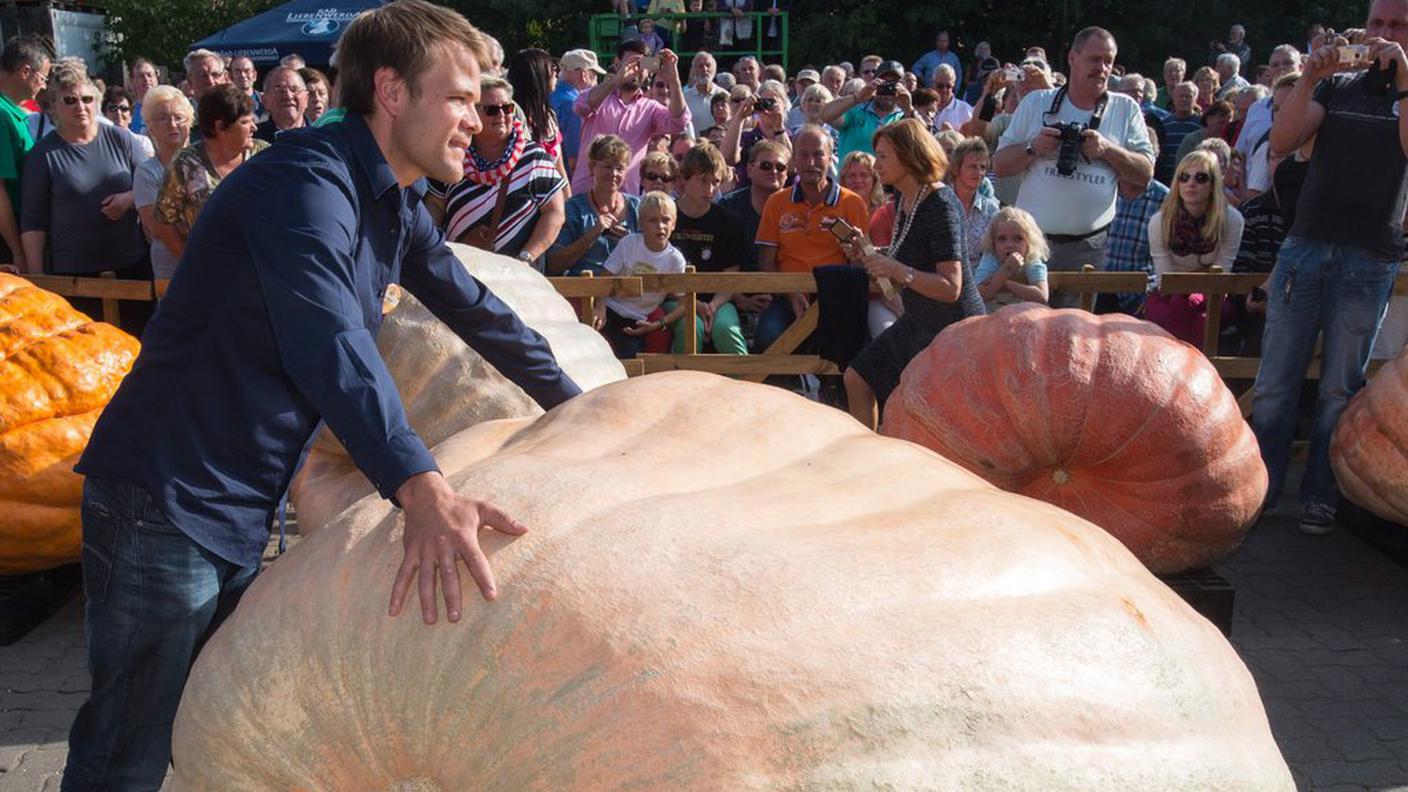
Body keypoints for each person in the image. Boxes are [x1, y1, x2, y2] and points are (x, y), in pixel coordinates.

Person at [62, 4, 583, 789]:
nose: (475, 122)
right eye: (460, 99)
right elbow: (331, 344)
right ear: (392, 91)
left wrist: (580, 404)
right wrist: (422, 488)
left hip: (233, 499)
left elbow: (476, 310)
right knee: (126, 750)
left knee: (221, 722)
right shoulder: (306, 186)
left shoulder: (393, 204)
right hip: (162, 501)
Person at [1253, 2, 1408, 535]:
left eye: (1397, 25)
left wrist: (1405, 78)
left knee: (1340, 388)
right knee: (1275, 380)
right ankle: (1262, 490)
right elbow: (1280, 142)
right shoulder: (1338, 86)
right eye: (1378, 23)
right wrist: (1309, 78)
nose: (1384, 35)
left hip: (1370, 257)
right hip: (1307, 247)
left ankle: (1320, 494)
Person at [993, 26, 1153, 307]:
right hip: (1031, 245)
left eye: (1109, 61)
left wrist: (1107, 151)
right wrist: (1034, 147)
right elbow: (1000, 165)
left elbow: (1145, 173)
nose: (1102, 68)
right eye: (1094, 59)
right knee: (1023, 331)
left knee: (1075, 339)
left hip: (1088, 250)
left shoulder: (1125, 108)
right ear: (1072, 58)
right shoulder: (1036, 102)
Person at [843, 118, 985, 429]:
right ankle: (865, 460)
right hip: (920, 321)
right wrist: (869, 252)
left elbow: (951, 287)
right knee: (857, 378)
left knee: (937, 419)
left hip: (953, 331)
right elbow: (910, 256)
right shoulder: (904, 199)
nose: (876, 163)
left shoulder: (940, 203)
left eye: (883, 156)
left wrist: (896, 269)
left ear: (909, 155)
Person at [20, 60, 150, 281]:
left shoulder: (122, 140)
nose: (80, 106)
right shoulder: (42, 155)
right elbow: (33, 221)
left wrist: (129, 199)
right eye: (70, 100)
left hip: (131, 265)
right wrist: (37, 277)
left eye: (87, 99)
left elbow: (153, 187)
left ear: (96, 102)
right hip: (75, 274)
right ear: (55, 106)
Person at [428, 75, 566, 265]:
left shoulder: (533, 158)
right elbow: (435, 204)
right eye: (492, 110)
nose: (501, 116)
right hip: (460, 271)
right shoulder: (453, 155)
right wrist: (436, 248)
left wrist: (526, 258)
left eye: (507, 108)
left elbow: (555, 212)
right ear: (473, 114)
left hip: (520, 278)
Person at [754, 125, 869, 352]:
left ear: (830, 158)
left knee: (850, 347)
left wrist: (855, 253)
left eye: (818, 154)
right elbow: (766, 261)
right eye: (803, 155)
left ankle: (833, 387)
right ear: (794, 160)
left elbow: (861, 262)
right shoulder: (777, 202)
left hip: (835, 295)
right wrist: (791, 294)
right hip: (787, 295)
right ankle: (786, 387)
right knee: (768, 339)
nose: (811, 162)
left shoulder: (853, 203)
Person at [155, 85, 268, 260]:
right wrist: (189, 262)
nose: (254, 127)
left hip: (261, 264)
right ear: (220, 126)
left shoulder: (263, 155)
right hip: (210, 266)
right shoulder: (185, 164)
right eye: (245, 122)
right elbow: (164, 221)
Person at [1144, 150, 1243, 345]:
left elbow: (1221, 275)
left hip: (1213, 293)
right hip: (1169, 293)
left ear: (1213, 183)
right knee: (1177, 309)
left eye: (1200, 177)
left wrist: (1196, 295)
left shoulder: (1232, 220)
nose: (1191, 183)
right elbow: (1166, 279)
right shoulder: (1159, 222)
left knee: (1203, 321)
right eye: (1184, 177)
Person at [570, 41, 689, 194]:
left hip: (625, 198)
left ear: (648, 70)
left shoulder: (650, 108)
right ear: (617, 64)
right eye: (630, 63)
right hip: (586, 193)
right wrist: (616, 80)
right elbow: (580, 106)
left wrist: (674, 80)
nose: (635, 71)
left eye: (641, 65)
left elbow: (678, 122)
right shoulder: (600, 97)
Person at [668, 142, 749, 354]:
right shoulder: (666, 218)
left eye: (715, 182)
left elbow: (731, 276)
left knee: (726, 330)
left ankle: (746, 383)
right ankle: (679, 386)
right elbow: (659, 271)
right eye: (703, 181)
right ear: (684, 179)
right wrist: (693, 304)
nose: (710, 189)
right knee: (689, 329)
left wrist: (712, 306)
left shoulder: (729, 222)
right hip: (675, 299)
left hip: (718, 300)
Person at [594, 190, 689, 357]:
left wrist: (659, 324)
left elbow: (684, 303)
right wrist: (600, 306)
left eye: (666, 220)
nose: (660, 226)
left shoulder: (675, 260)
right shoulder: (629, 244)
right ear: (641, 224)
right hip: (610, 309)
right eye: (653, 221)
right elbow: (605, 277)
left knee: (627, 360)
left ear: (673, 224)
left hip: (636, 320)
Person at [548, 134, 639, 275]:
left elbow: (655, 258)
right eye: (607, 166)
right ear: (592, 167)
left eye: (620, 168)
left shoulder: (637, 208)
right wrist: (592, 235)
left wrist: (632, 244)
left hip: (627, 292)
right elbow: (553, 265)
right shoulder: (573, 209)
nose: (613, 173)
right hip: (583, 290)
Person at [133, 85, 192, 280]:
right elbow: (157, 227)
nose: (172, 124)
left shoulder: (207, 162)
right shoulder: (147, 171)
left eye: (178, 117)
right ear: (150, 127)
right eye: (163, 118)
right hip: (173, 271)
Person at [0, 35, 48, 274]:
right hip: (8, 236)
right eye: (43, 78)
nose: (45, 85)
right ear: (25, 71)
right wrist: (18, 251)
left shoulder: (11, 113)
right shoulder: (1, 115)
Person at [719, 137, 787, 273]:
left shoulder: (797, 205)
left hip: (786, 288)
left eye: (780, 167)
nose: (774, 171)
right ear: (749, 169)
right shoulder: (728, 206)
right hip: (735, 288)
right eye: (766, 166)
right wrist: (739, 295)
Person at [819, 58, 906, 161]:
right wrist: (858, 96)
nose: (888, 90)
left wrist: (908, 108)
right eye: (884, 83)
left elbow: (923, 144)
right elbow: (825, 114)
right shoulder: (856, 111)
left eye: (893, 84)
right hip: (852, 176)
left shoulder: (905, 118)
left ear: (903, 86)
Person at [507, 47, 567, 184]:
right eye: (551, 67)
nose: (555, 72)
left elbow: (560, 168)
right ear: (536, 74)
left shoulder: (549, 115)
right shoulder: (511, 118)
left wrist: (567, 202)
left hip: (553, 195)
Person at [974, 205, 1050, 312]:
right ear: (993, 242)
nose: (1009, 244)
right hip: (993, 317)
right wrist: (1006, 269)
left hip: (1025, 317)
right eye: (1002, 239)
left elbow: (1042, 297)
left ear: (1029, 243)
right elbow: (980, 296)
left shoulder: (1031, 259)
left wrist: (1005, 283)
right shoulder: (991, 258)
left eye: (1018, 238)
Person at [1236, 45, 1300, 161]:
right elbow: (1241, 152)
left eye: (1287, 63)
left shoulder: (1313, 105)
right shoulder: (1256, 108)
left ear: (1301, 67)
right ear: (1269, 72)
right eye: (1275, 65)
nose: (1281, 68)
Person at [722, 81, 790, 189]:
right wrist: (740, 117)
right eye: (763, 102)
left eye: (771, 102)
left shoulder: (794, 138)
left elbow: (791, 167)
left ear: (784, 105)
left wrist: (779, 128)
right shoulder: (747, 137)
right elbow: (727, 159)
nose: (767, 106)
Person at [946, 136, 999, 272]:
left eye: (982, 167)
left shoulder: (991, 209)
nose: (979, 172)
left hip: (980, 278)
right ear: (956, 169)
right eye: (972, 167)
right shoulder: (939, 203)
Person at [552, 49, 604, 175]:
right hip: (567, 177)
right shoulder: (572, 103)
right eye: (594, 74)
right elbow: (574, 157)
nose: (596, 80)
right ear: (584, 74)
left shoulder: (552, 95)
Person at [1155, 81, 1201, 183]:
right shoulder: (1163, 125)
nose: (1184, 99)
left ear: (1196, 99)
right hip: (1165, 180)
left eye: (1188, 96)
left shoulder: (1201, 125)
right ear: (1173, 98)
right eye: (1180, 96)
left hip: (1190, 180)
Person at [254, 66, 308, 142]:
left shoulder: (322, 135)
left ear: (306, 98)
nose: (288, 96)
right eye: (279, 89)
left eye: (294, 89)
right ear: (264, 100)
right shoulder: (253, 140)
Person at [1174, 99, 1234, 165]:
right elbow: (1182, 166)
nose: (1225, 126)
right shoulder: (1192, 141)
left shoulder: (1232, 140)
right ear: (1208, 119)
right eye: (1221, 122)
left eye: (1228, 123)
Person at [684, 52, 729, 132]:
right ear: (694, 70)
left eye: (708, 65)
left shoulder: (725, 96)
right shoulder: (685, 98)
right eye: (700, 66)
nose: (705, 69)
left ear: (714, 70)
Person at [928, 64, 973, 130]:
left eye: (948, 86)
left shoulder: (965, 109)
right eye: (940, 85)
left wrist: (951, 134)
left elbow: (971, 137)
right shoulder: (925, 107)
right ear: (933, 83)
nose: (944, 89)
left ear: (953, 84)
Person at [840, 150, 882, 215]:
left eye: (864, 175)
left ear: (874, 179)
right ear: (843, 179)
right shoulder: (836, 210)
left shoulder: (885, 212)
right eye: (852, 175)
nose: (858, 180)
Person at [127, 57, 159, 134]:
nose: (146, 79)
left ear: (156, 78)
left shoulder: (167, 107)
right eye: (140, 76)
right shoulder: (128, 111)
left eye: (149, 75)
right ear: (132, 81)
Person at [228, 56, 264, 120]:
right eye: (237, 71)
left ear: (254, 75)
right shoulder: (225, 103)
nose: (243, 75)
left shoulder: (266, 100)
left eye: (247, 71)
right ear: (230, 77)